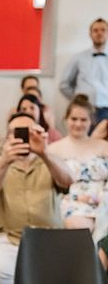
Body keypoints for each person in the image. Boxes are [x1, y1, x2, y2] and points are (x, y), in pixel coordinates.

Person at [0, 112, 73, 284]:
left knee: (68, 275)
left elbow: (68, 181)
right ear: (7, 137)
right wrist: (5, 161)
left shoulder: (50, 161)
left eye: (29, 132)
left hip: (51, 239)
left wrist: (44, 152)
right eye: (16, 133)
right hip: (10, 240)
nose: (23, 137)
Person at [48, 94, 108, 234]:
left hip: (103, 200)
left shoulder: (104, 146)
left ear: (91, 121)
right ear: (66, 119)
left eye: (83, 120)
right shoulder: (54, 149)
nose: (78, 124)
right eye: (74, 119)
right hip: (71, 202)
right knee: (80, 226)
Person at [60, 18, 108, 125]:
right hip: (84, 110)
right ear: (90, 34)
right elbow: (64, 84)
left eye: (103, 30)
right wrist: (78, 99)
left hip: (106, 110)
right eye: (95, 30)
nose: (99, 33)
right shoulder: (78, 58)